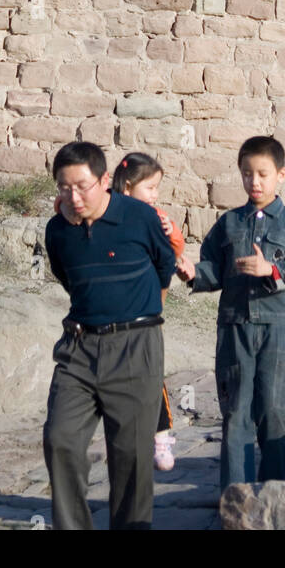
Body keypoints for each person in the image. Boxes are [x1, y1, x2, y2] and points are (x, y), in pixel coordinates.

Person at [42, 141, 176, 530]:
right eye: (64, 187)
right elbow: (69, 278)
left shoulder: (139, 217)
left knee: (130, 458)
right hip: (79, 348)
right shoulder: (58, 230)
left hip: (136, 346)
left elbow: (163, 266)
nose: (73, 196)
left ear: (104, 180)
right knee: (60, 439)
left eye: (81, 185)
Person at [175, 135, 285, 492]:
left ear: (281, 175)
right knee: (236, 415)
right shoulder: (229, 224)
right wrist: (192, 272)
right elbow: (213, 269)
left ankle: (273, 498)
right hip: (234, 330)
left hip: (277, 330)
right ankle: (235, 502)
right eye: (247, 174)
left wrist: (270, 270)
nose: (255, 182)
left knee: (276, 413)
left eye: (263, 174)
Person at [111, 152, 185, 471]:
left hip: (146, 306)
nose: (155, 195)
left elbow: (176, 249)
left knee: (151, 371)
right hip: (113, 310)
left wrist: (170, 234)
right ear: (127, 188)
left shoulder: (156, 217)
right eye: (150, 188)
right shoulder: (107, 213)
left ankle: (161, 434)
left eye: (156, 188)